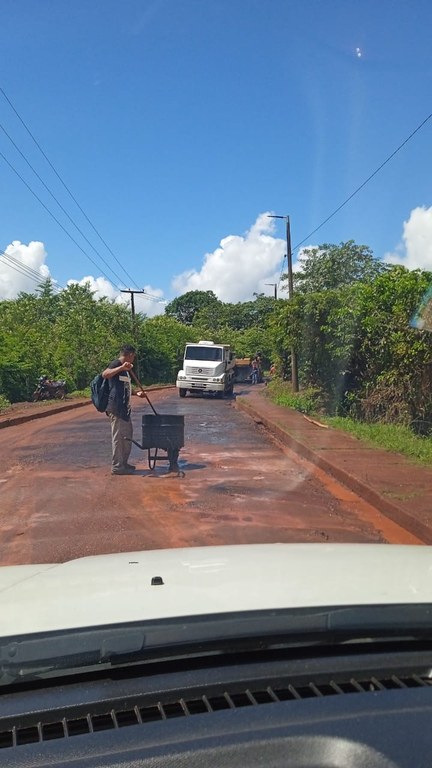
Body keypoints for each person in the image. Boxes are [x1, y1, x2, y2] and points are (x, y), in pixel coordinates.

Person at [101, 345, 145, 475]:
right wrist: (121, 367)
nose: (134, 359)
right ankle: (117, 466)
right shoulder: (117, 364)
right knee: (119, 438)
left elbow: (124, 387)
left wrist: (136, 393)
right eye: (133, 356)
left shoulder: (126, 370)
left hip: (125, 409)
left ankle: (123, 463)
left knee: (127, 437)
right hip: (116, 408)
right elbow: (105, 374)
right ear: (130, 355)